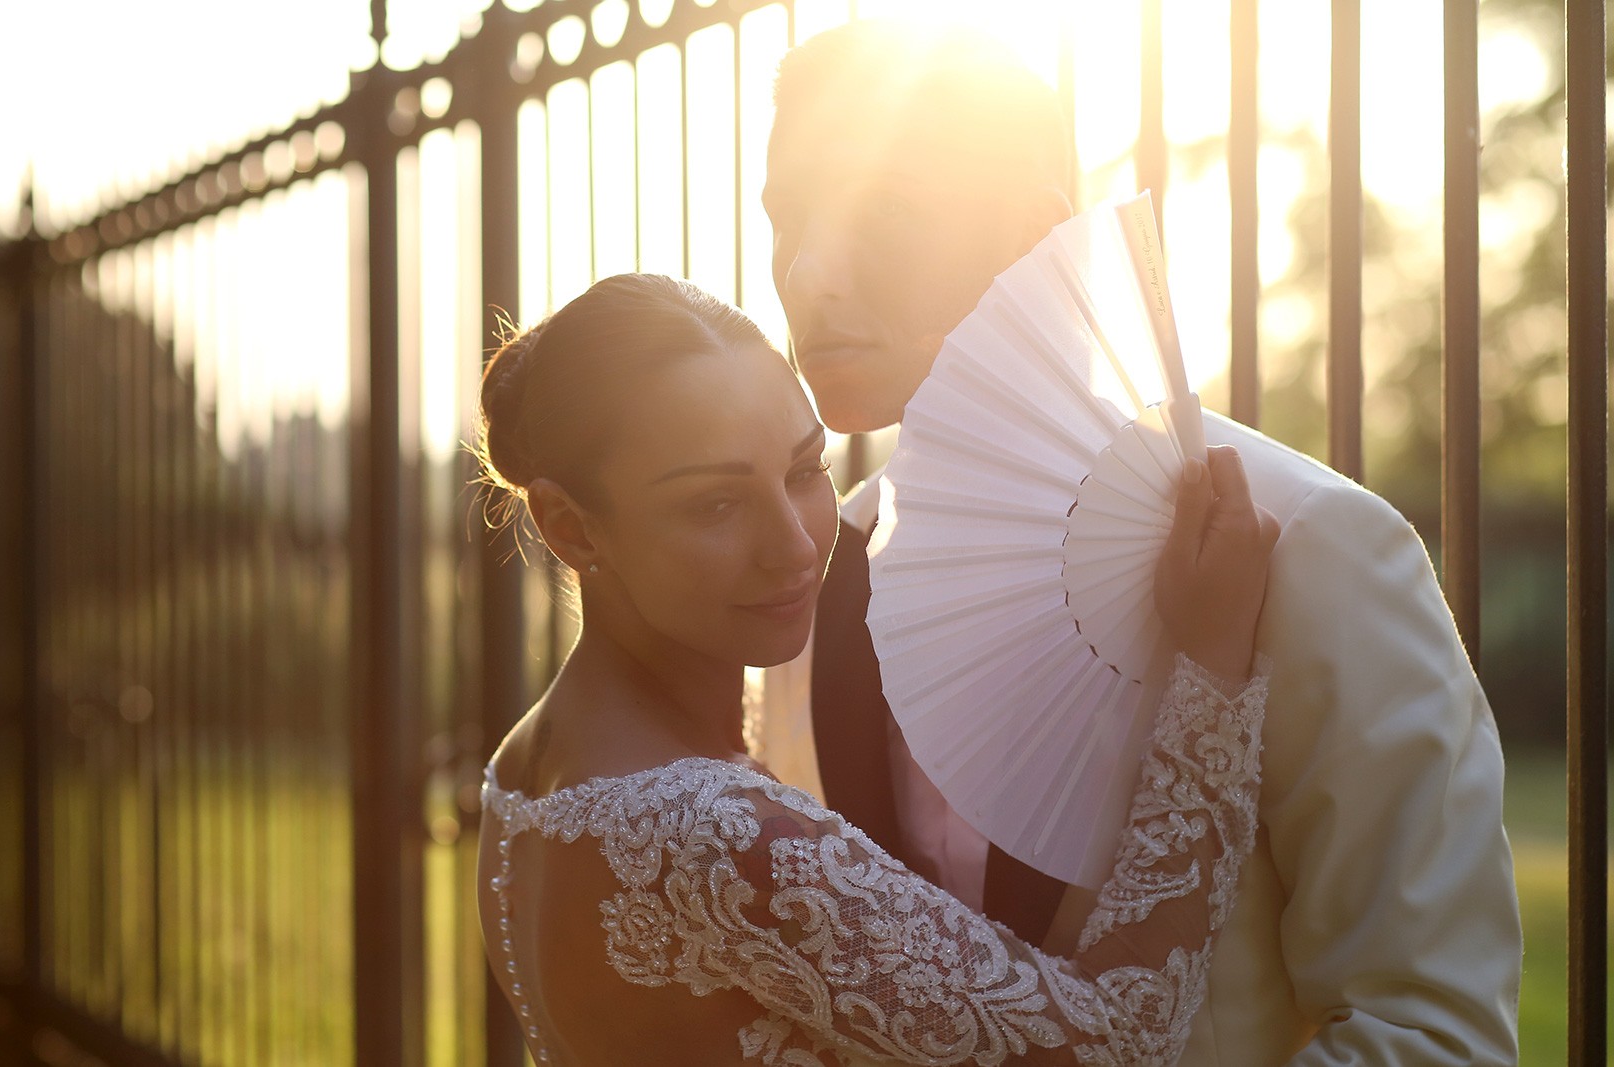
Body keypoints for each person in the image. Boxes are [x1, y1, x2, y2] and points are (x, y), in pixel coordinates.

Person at [754, 19, 1520, 1067]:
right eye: (785, 217)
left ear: (1032, 233)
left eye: (877, 214)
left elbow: (1433, 1029)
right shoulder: (826, 576)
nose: (810, 274)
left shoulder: (1317, 548)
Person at [474, 272, 1279, 1065]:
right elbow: (1116, 1042)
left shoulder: (521, 775)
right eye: (715, 505)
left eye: (802, 471)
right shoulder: (708, 831)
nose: (794, 546)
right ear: (570, 527)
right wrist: (1211, 671)